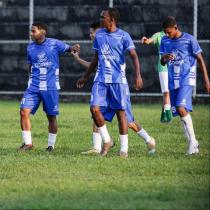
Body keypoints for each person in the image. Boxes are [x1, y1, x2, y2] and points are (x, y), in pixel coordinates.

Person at [72, 22, 156, 155]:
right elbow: (94, 64)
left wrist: (79, 62)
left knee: (128, 121)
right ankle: (98, 146)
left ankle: (148, 139)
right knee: (96, 113)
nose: (91, 35)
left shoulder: (113, 41)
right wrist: (79, 63)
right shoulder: (101, 45)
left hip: (117, 85)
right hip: (103, 83)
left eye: (92, 32)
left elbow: (93, 64)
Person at [18, 22, 80, 152]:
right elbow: (30, 66)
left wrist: (74, 47)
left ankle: (50, 145)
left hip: (50, 87)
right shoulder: (30, 47)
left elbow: (70, 49)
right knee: (24, 111)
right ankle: (28, 144)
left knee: (51, 116)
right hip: (33, 87)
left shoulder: (54, 44)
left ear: (43, 32)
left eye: (34, 31)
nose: (31, 33)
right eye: (31, 31)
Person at [160, 16, 210, 154]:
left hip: (186, 78)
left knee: (181, 108)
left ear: (176, 28)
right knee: (181, 113)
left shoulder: (189, 39)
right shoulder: (165, 40)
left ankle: (193, 141)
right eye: (165, 32)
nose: (167, 34)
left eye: (169, 32)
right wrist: (164, 58)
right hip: (173, 80)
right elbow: (162, 62)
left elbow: (200, 59)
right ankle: (193, 145)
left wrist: (206, 79)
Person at [141, 31, 172, 123]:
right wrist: (145, 40)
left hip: (174, 67)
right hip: (163, 67)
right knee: (166, 92)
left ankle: (163, 117)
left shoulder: (175, 35)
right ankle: (169, 117)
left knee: (168, 92)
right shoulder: (159, 35)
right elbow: (149, 41)